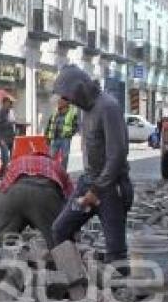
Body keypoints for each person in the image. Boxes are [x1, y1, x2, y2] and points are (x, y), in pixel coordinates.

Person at [51, 65, 134, 264]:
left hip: (110, 188)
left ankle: (118, 288)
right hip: (88, 182)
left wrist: (96, 190)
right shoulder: (85, 110)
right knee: (60, 230)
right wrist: (88, 188)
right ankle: (75, 277)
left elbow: (117, 154)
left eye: (70, 97)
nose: (69, 102)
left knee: (116, 253)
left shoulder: (108, 107)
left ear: (80, 89)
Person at [0, 151, 73, 248]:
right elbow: (70, 197)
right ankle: (63, 259)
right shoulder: (56, 165)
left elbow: (3, 186)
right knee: (59, 241)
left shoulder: (18, 161)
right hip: (44, 194)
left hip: (13, 194)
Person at [45, 96, 79, 170]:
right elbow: (49, 124)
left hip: (65, 139)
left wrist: (70, 134)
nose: (59, 102)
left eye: (61, 101)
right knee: (51, 157)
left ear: (67, 103)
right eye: (59, 101)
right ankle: (50, 172)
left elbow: (76, 126)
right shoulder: (55, 112)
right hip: (54, 138)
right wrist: (47, 136)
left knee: (65, 157)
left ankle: (63, 173)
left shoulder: (72, 113)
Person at [0, 95, 16, 179]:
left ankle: (7, 175)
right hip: (3, 139)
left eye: (11, 103)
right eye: (9, 103)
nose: (10, 105)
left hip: (11, 138)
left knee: (11, 159)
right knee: (5, 159)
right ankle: (1, 176)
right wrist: (10, 122)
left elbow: (13, 123)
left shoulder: (11, 112)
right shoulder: (0, 113)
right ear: (4, 103)